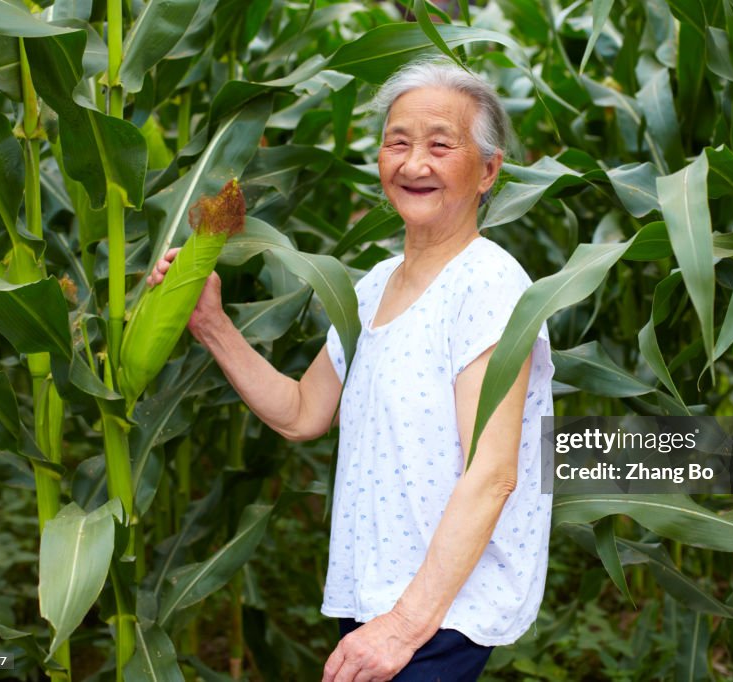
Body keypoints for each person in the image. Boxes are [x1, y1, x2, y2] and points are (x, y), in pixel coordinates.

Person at [149, 59, 554, 682]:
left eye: (441, 145)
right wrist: (211, 325)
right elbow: (302, 412)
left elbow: (493, 473)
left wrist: (403, 627)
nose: (413, 163)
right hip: (377, 597)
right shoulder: (373, 287)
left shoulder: (490, 284)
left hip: (438, 612)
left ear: (489, 171)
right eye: (398, 142)